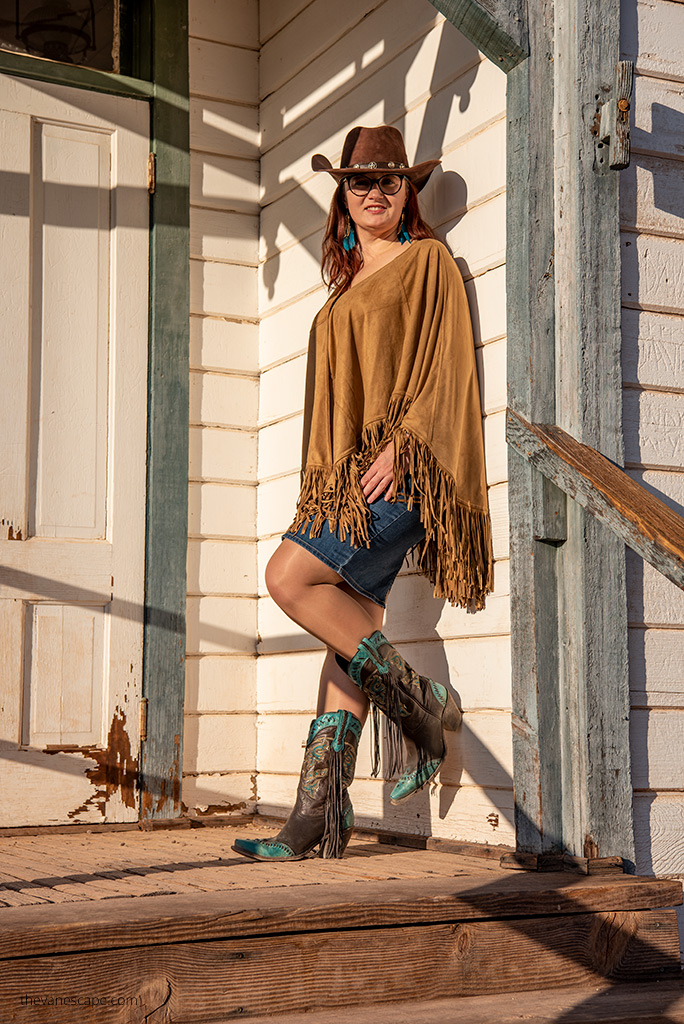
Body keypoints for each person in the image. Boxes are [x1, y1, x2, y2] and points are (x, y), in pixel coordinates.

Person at [233, 125, 493, 862]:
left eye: (387, 180)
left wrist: (401, 446)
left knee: (287, 576)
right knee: (345, 631)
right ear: (341, 199)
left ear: (408, 190)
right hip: (347, 481)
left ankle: (422, 708)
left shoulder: (427, 262)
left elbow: (444, 365)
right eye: (358, 182)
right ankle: (319, 813)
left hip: (400, 470)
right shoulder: (343, 287)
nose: (374, 192)